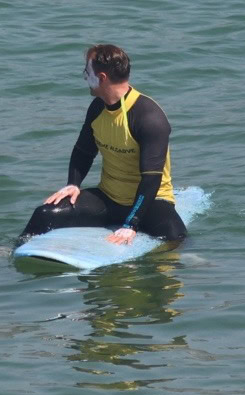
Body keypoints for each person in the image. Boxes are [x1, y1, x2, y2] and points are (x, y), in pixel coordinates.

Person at [21, 44, 187, 247]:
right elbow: (84, 151)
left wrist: (131, 224)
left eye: (86, 71)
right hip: (108, 199)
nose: (84, 77)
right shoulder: (98, 107)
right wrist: (73, 184)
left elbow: (151, 179)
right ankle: (14, 248)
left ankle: (190, 259)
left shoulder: (148, 117)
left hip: (150, 203)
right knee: (46, 213)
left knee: (176, 235)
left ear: (101, 77)